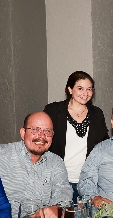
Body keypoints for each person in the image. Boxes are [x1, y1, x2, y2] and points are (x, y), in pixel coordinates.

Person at [0, 111, 73, 218]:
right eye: (35, 130)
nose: (41, 136)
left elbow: (63, 191)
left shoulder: (56, 162)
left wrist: (57, 208)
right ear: (22, 132)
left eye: (47, 131)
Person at [44, 71, 108, 203]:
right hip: (59, 181)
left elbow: (104, 144)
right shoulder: (53, 111)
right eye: (80, 88)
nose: (85, 93)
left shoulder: (97, 114)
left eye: (89, 89)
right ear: (70, 89)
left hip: (87, 182)